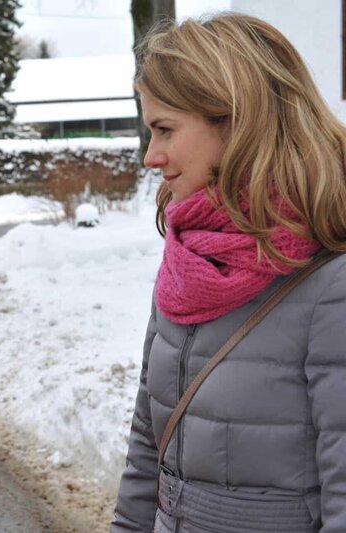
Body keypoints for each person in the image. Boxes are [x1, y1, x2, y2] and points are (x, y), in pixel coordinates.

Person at [111, 13, 346, 532]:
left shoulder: (333, 284)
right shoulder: (185, 261)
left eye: (164, 129)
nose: (152, 156)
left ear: (239, 122)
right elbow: (147, 449)